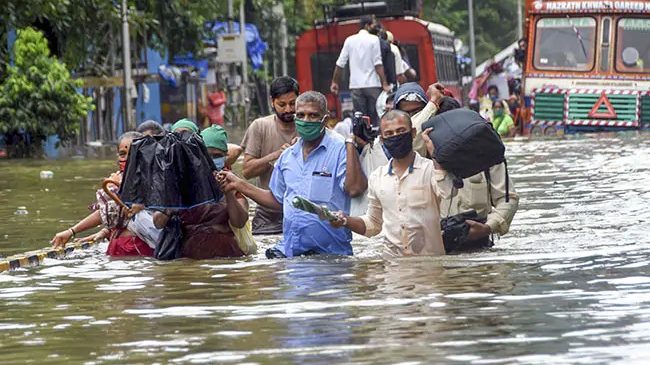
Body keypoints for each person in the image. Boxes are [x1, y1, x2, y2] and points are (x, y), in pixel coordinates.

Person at [220, 91, 367, 258]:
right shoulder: (288, 156)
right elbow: (277, 200)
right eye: (301, 115)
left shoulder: (340, 149)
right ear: (295, 118)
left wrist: (351, 144)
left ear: (325, 120)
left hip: (331, 256)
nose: (306, 120)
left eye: (313, 115)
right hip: (291, 254)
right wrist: (239, 184)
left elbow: (355, 189)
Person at [330, 110, 454, 256]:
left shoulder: (430, 169)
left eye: (401, 131)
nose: (395, 137)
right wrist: (345, 220)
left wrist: (437, 158)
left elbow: (448, 193)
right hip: (393, 269)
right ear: (382, 139)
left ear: (413, 133)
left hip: (429, 268)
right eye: (389, 134)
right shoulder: (377, 177)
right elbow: (373, 224)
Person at [50, 132, 158, 257]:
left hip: (138, 250)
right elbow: (105, 212)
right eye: (122, 154)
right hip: (119, 249)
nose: (127, 158)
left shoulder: (153, 181)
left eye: (132, 154)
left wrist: (121, 187)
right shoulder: (117, 178)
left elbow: (135, 210)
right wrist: (71, 231)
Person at [240, 76, 299, 235]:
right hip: (268, 217)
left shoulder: (307, 128)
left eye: (292, 103)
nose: (288, 109)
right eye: (282, 104)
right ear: (272, 102)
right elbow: (247, 171)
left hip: (301, 214)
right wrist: (278, 155)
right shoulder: (260, 127)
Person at [331, 15, 391, 127]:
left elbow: (340, 63)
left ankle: (363, 141)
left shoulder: (349, 40)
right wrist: (384, 83)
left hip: (356, 86)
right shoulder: (374, 40)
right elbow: (378, 64)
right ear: (367, 26)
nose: (375, 26)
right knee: (375, 118)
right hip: (373, 85)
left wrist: (335, 82)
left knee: (361, 119)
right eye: (373, 24)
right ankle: (375, 141)